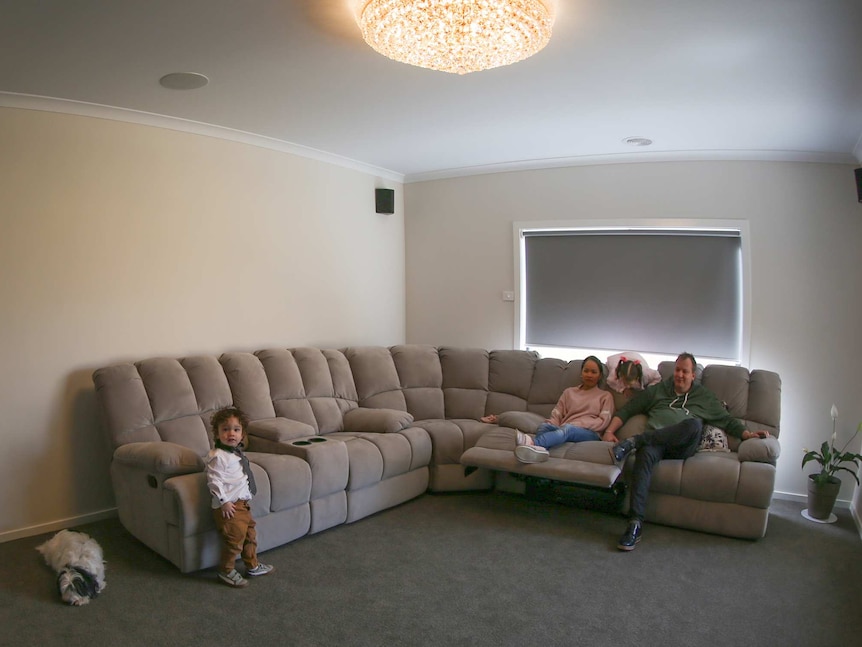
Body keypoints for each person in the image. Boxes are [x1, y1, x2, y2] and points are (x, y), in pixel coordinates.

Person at [603, 352, 771, 551]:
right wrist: (609, 431)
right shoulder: (658, 391)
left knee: (693, 425)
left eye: (685, 371)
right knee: (644, 456)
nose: (680, 375)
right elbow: (628, 409)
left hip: (682, 445)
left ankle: (634, 441)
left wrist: (747, 435)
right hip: (655, 444)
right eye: (677, 370)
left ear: (693, 375)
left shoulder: (703, 396)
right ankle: (635, 524)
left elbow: (726, 420)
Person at [206, 406, 275, 587]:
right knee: (234, 540)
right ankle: (226, 570)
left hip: (243, 505)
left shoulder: (236, 454)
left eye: (236, 430)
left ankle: (252, 565)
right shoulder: (218, 457)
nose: (231, 433)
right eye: (225, 429)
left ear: (242, 433)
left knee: (250, 535)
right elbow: (214, 481)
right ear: (217, 433)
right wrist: (224, 502)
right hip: (230, 507)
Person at [514, 356, 614, 463]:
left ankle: (532, 443)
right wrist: (552, 424)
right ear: (581, 373)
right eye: (586, 371)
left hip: (590, 433)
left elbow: (603, 421)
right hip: (565, 428)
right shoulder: (569, 392)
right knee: (544, 426)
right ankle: (539, 451)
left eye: (593, 372)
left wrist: (578, 424)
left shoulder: (605, 396)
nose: (589, 375)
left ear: (599, 376)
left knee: (568, 429)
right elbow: (557, 413)